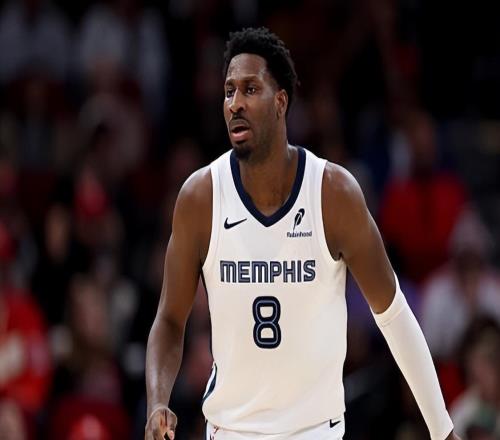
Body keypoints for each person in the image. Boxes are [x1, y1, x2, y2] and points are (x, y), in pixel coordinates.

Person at [145, 27, 460, 440]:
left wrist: (442, 430)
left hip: (316, 430)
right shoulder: (201, 197)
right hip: (231, 429)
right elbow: (170, 319)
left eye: (250, 89)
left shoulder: (332, 193)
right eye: (229, 91)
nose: (235, 103)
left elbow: (394, 314)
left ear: (281, 102)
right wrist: (157, 402)